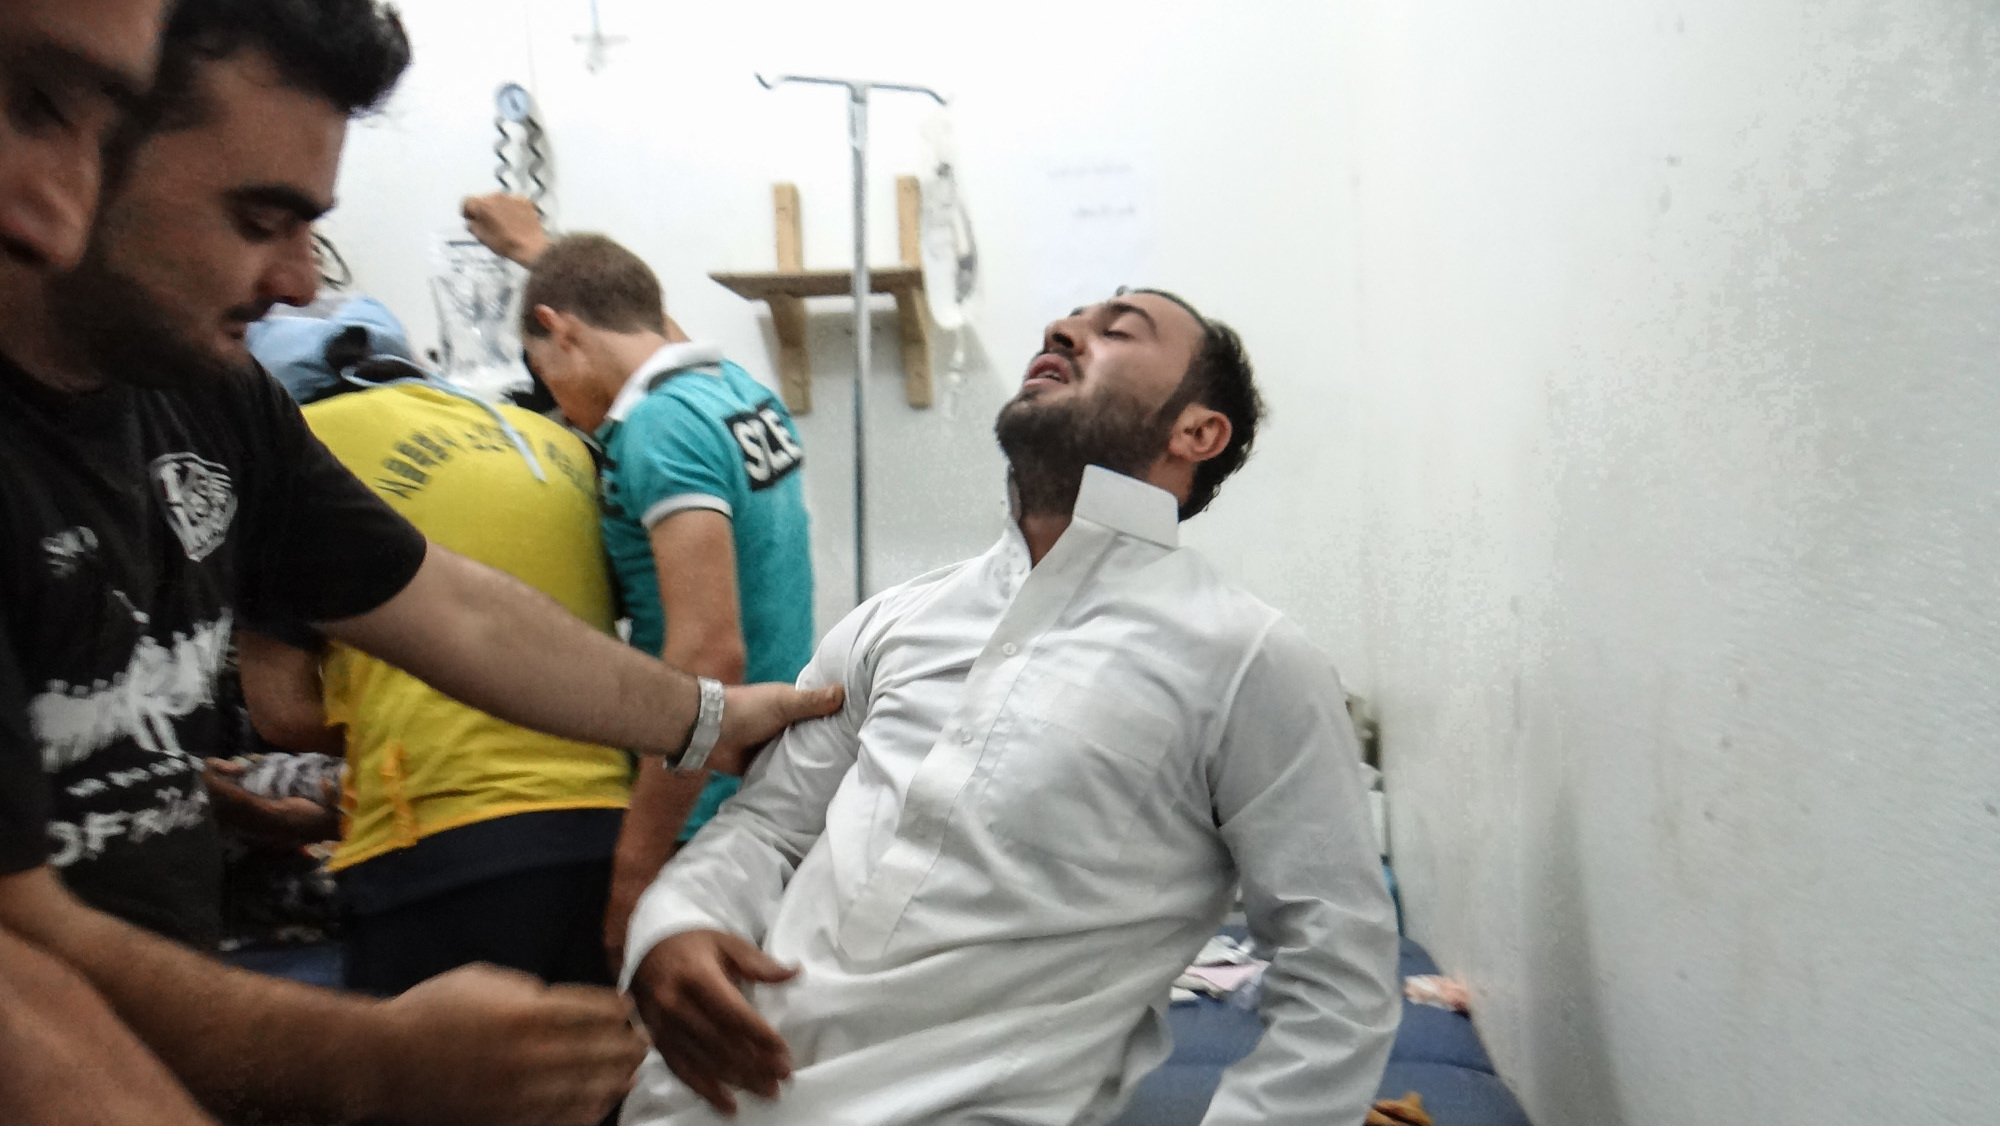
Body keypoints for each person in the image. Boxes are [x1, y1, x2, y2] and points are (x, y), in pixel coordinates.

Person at [0, 2, 836, 1125]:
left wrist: (701, 716)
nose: (300, 281)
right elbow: (25, 959)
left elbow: (449, 607)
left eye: (311, 228)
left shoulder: (212, 395)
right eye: (258, 219)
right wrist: (369, 1056)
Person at [620, 289, 1402, 1126]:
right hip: (701, 1099)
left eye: (1118, 329)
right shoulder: (896, 620)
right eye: (1066, 320)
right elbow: (769, 827)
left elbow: (1338, 972)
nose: (1063, 330)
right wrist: (672, 925)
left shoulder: (1249, 659)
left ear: (1196, 433)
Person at [244, 308, 636, 994]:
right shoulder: (550, 439)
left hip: (439, 844)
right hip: (612, 830)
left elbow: (280, 711)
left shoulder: (296, 448)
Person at [485, 216, 816, 968]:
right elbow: (629, 314)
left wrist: (635, 871)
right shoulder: (732, 387)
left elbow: (709, 653)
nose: (562, 407)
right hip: (768, 778)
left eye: (547, 375)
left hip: (702, 807)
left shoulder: (660, 429)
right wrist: (539, 253)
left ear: (557, 331)